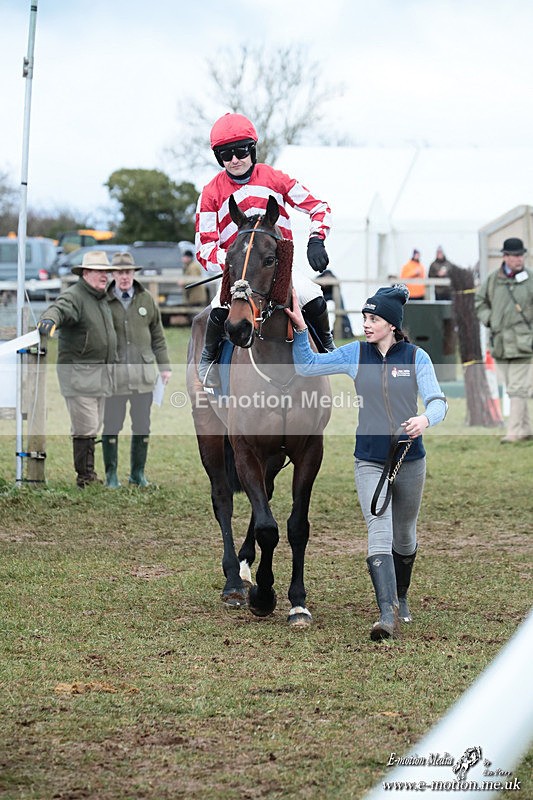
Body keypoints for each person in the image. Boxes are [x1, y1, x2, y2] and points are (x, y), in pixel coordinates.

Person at [285, 284, 447, 641]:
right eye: (365, 318)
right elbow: (307, 365)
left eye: (373, 318)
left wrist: (424, 420)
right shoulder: (356, 354)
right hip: (370, 459)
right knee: (379, 529)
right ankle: (386, 612)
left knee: (404, 537)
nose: (367, 324)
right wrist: (300, 331)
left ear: (391, 323)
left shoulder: (416, 357)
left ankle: (401, 596)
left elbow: (438, 401)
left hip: (409, 459)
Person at [195, 112, 335, 387]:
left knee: (314, 296)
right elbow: (204, 249)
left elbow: (319, 207)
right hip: (234, 275)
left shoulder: (273, 178)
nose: (234, 159)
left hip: (278, 268)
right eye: (225, 154)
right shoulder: (211, 193)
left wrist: (316, 239)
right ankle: (208, 362)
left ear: (252, 149)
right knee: (217, 311)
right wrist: (237, 260)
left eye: (240, 151)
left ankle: (327, 351)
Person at [37, 251, 119, 488]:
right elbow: (59, 309)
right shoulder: (75, 296)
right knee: (85, 426)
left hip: (99, 374)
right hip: (79, 375)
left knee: (94, 425)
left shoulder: (100, 297)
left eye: (106, 272)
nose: (104, 276)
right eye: (98, 272)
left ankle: (88, 473)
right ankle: (85, 477)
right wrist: (49, 320)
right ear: (86, 273)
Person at [102, 252, 172, 487]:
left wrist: (165, 367)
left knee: (142, 424)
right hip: (115, 376)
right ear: (113, 274)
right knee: (112, 424)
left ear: (134, 273)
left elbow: (158, 336)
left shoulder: (146, 299)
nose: (124, 277)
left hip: (144, 375)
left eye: (128, 272)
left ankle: (137, 474)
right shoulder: (104, 300)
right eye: (120, 272)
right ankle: (111, 475)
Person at [475, 237, 533, 443]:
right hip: (500, 344)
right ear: (505, 257)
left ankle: (514, 432)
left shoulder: (530, 279)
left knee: (517, 388)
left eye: (521, 255)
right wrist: (489, 319)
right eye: (515, 255)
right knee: (513, 387)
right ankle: (525, 428)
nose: (519, 259)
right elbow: (480, 301)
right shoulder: (493, 280)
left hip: (525, 344)